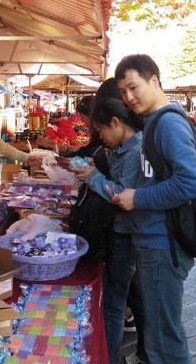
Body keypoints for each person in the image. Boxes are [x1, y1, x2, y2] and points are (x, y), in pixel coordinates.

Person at [112, 54, 196, 364]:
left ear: (155, 81)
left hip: (163, 244)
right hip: (153, 241)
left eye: (134, 87)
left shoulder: (168, 124)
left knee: (163, 340)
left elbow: (189, 183)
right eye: (123, 91)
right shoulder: (154, 122)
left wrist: (137, 198)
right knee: (158, 334)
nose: (128, 97)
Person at [71, 98, 147, 364]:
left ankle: (109, 358)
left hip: (125, 236)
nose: (100, 135)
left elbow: (122, 196)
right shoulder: (122, 146)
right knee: (114, 300)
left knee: (115, 303)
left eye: (101, 129)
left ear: (116, 122)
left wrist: (93, 177)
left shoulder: (135, 149)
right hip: (118, 232)